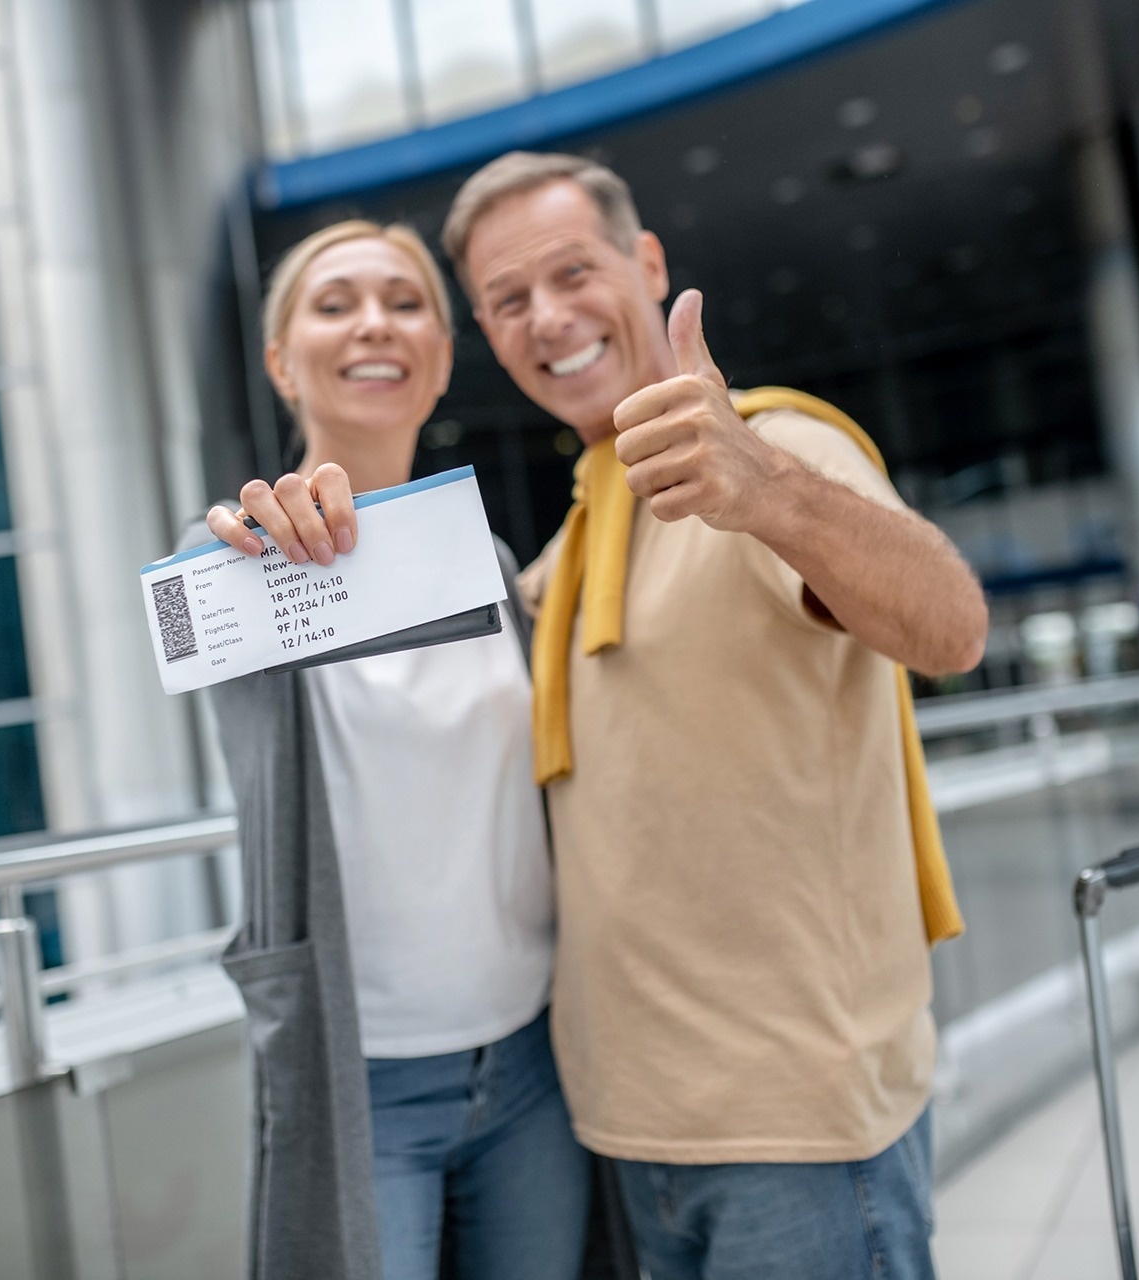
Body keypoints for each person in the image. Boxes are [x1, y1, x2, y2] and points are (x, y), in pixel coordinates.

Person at [431, 152, 987, 1277]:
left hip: (800, 1135)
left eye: (572, 272)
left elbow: (952, 627)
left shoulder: (776, 455)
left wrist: (769, 491)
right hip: (631, 1134)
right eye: (507, 300)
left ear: (645, 265)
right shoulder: (563, 555)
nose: (548, 317)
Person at [193, 219, 631, 1280]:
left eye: (405, 301)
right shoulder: (244, 566)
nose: (374, 323)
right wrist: (262, 540)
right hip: (363, 1079)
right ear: (279, 358)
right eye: (334, 303)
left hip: (531, 1059)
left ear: (439, 353)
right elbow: (221, 665)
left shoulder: (483, 563)